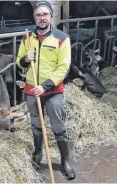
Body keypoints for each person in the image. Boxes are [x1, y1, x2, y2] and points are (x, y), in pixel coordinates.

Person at [16, 1, 76, 180]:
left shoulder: (62, 38)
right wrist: (26, 59)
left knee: (58, 127)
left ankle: (65, 161)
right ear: (34, 18)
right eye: (38, 15)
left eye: (45, 14)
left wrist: (46, 86)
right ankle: (37, 154)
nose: (42, 18)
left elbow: (63, 68)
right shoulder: (27, 37)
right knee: (36, 125)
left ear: (50, 16)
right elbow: (18, 61)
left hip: (52, 92)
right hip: (31, 90)